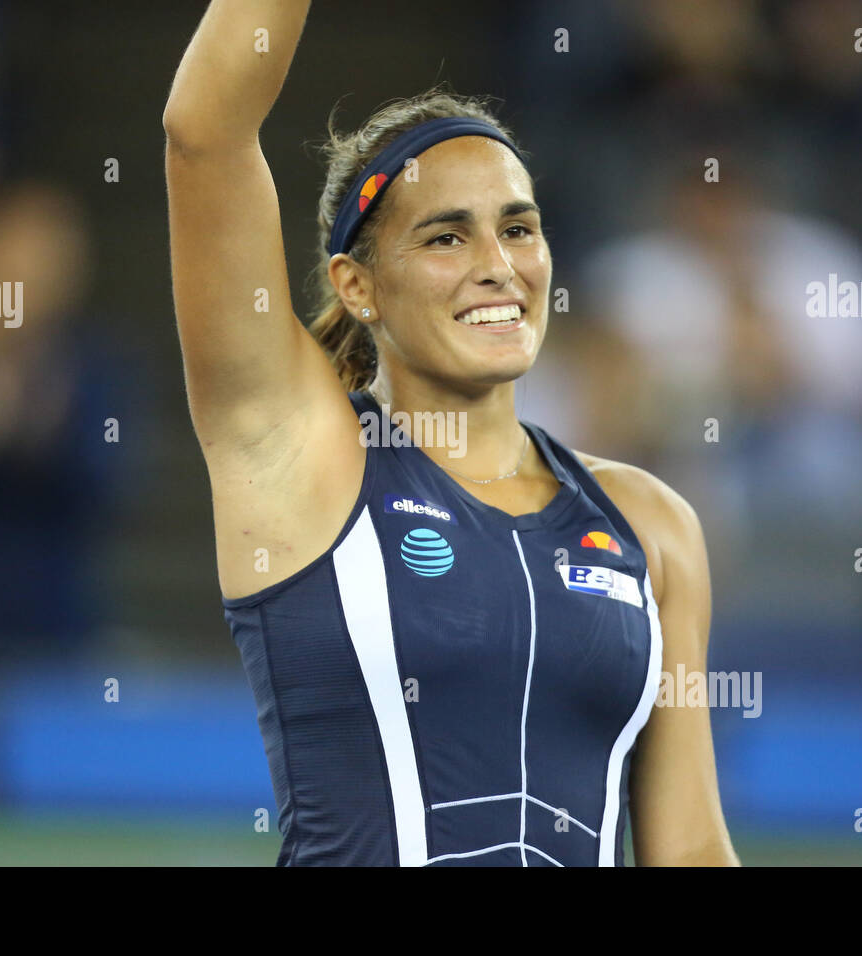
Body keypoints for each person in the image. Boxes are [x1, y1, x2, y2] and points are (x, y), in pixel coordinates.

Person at [163, 0, 738, 866]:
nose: (497, 266)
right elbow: (203, 133)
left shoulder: (654, 528)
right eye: (445, 236)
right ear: (358, 287)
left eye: (518, 228)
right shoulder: (299, 454)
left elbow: (690, 849)